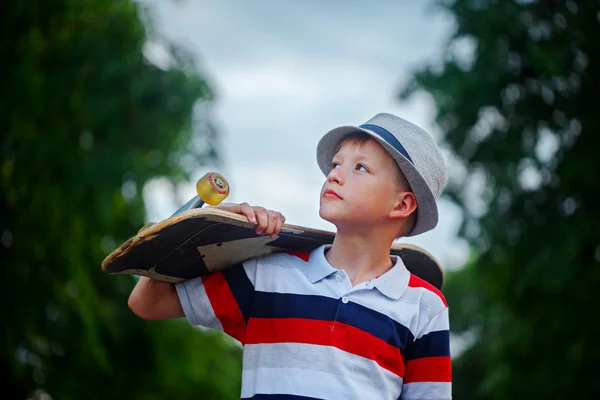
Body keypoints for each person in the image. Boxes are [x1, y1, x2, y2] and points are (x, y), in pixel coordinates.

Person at [128, 113, 451, 399]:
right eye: (336, 164)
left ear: (401, 205)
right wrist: (199, 225)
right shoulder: (269, 275)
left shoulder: (424, 306)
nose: (334, 175)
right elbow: (147, 303)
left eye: (360, 167)